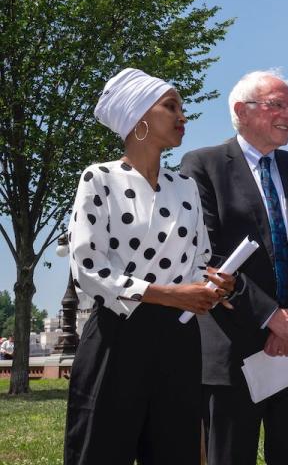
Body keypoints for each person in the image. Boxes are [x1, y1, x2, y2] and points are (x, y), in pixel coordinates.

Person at [63, 68, 234, 464]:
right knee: (101, 449)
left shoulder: (185, 187)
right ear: (139, 117)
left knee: (176, 451)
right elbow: (87, 269)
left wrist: (214, 286)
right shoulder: (99, 179)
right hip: (115, 339)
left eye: (182, 108)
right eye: (170, 106)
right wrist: (171, 294)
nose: (182, 116)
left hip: (178, 341)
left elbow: (199, 260)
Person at [181, 69, 288, 465]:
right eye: (276, 105)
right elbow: (207, 256)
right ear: (242, 110)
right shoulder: (204, 165)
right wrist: (271, 317)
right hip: (232, 347)